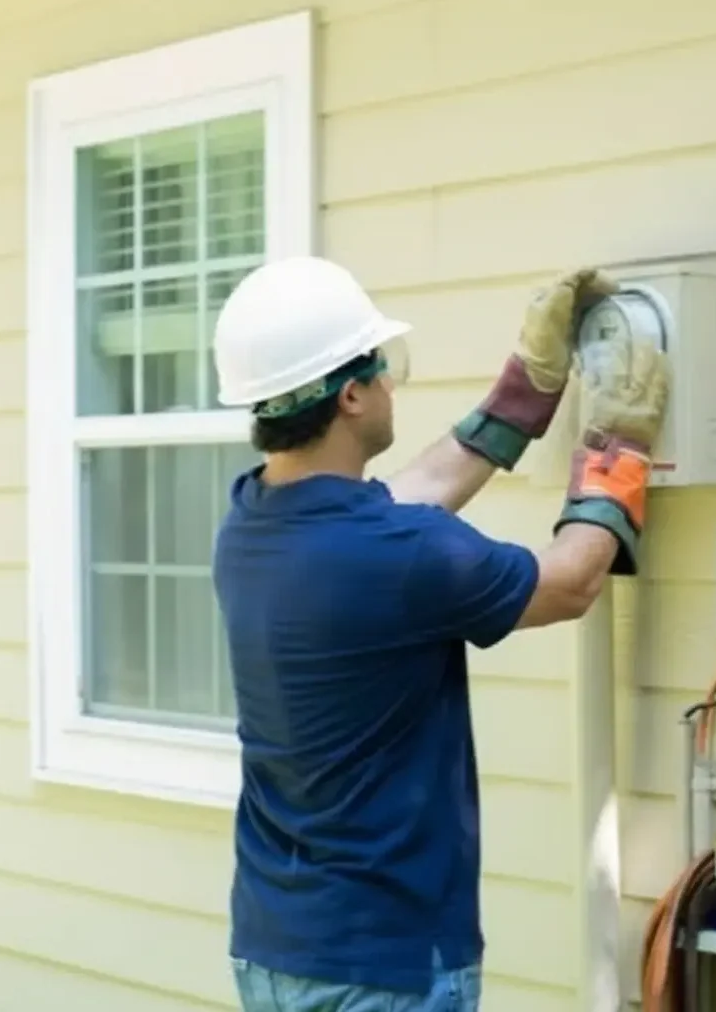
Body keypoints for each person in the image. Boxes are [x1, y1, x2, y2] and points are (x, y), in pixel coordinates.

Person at [208, 256, 669, 1012]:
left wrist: (530, 383)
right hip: (385, 965)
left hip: (277, 944)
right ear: (351, 394)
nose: (394, 382)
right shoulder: (399, 552)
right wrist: (619, 447)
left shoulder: (250, 519)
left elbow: (410, 495)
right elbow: (573, 580)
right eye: (383, 367)